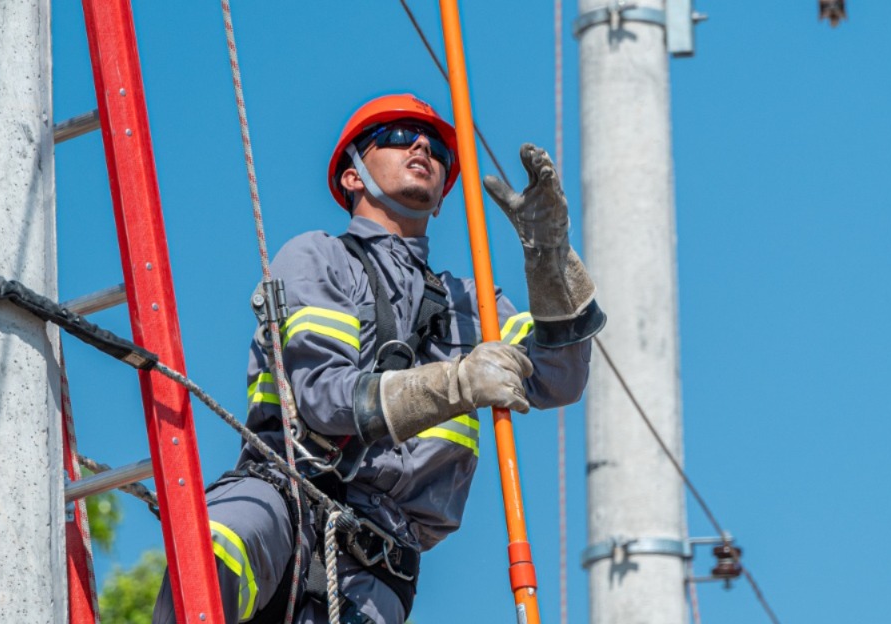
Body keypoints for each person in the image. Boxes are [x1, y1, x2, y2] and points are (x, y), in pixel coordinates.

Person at [153, 93, 605, 624]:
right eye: (395, 137)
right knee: (218, 548)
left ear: (440, 200)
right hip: (282, 502)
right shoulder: (319, 258)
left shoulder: (472, 301)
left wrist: (548, 257)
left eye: (436, 147)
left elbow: (561, 377)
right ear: (351, 176)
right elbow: (324, 398)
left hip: (379, 561)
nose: (421, 147)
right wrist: (457, 383)